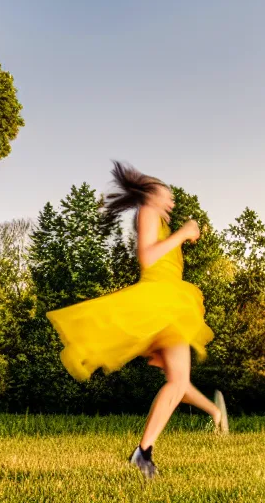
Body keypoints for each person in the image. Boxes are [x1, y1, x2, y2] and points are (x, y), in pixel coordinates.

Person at [46, 161, 229, 479]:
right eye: (168, 194)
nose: (172, 201)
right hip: (158, 304)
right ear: (152, 193)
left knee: (179, 381)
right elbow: (148, 256)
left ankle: (210, 415)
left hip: (168, 303)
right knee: (177, 382)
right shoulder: (147, 212)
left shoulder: (158, 220)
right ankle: (142, 453)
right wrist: (184, 234)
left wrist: (181, 235)